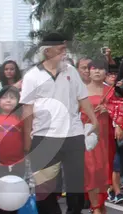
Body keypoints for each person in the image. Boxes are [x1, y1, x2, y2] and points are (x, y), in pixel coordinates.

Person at [19, 32, 99, 214]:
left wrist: (94, 120)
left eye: (65, 48)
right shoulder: (32, 76)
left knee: (76, 187)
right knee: (44, 190)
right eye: (61, 49)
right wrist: (27, 141)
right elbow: (27, 110)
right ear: (48, 52)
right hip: (43, 136)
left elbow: (83, 97)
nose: (65, 52)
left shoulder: (71, 71)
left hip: (73, 135)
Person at [0, 87, 25, 214]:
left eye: (12, 97)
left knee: (13, 196)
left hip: (17, 163)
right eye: (4, 97)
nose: (8, 101)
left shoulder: (21, 118)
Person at [82, 61, 114, 214]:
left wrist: (108, 109)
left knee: (103, 172)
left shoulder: (112, 91)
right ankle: (96, 208)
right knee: (91, 171)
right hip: (89, 137)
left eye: (101, 69)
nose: (97, 72)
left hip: (107, 137)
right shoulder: (81, 92)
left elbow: (121, 112)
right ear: (88, 71)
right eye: (94, 68)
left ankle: (100, 206)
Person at [105, 70, 123, 204]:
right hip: (105, 132)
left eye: (115, 75)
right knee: (114, 163)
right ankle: (116, 191)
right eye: (110, 75)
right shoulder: (103, 92)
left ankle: (114, 189)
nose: (113, 77)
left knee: (121, 162)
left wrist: (120, 124)